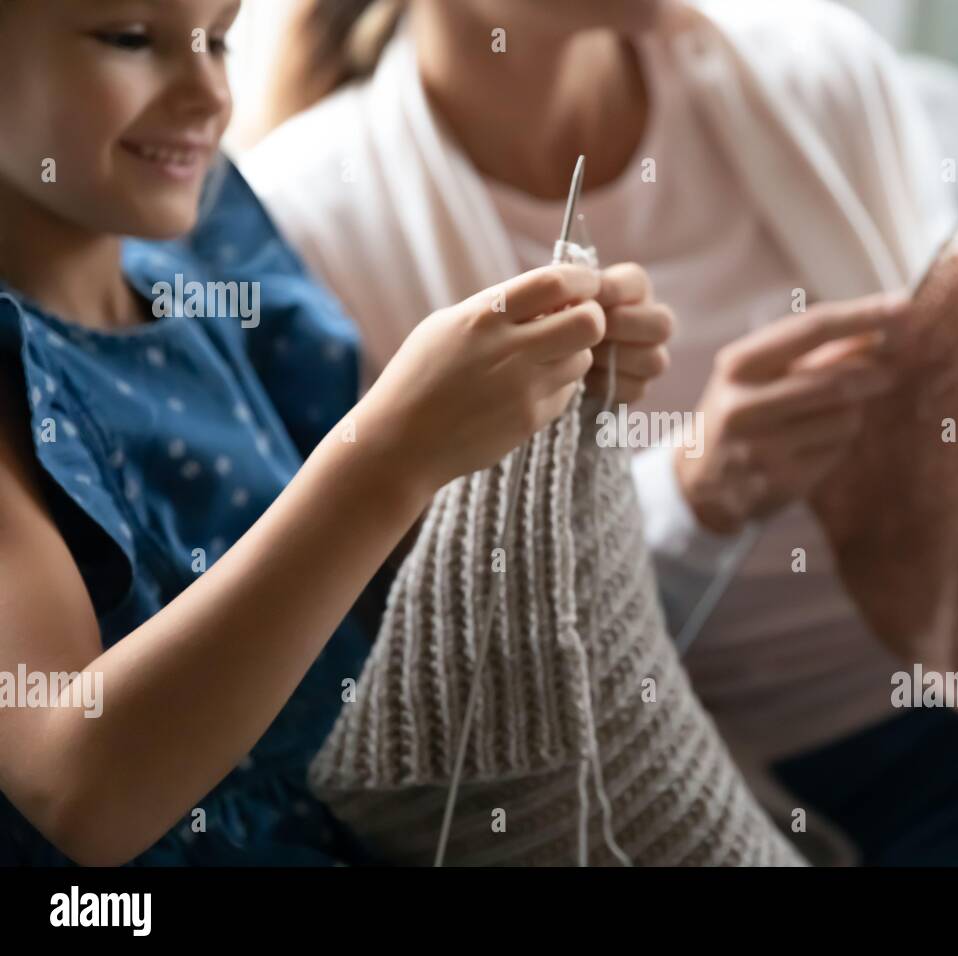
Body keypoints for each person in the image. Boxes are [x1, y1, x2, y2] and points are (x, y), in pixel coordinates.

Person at [247, 0, 958, 864]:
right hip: (770, 764)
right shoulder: (310, 221)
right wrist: (694, 495)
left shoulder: (815, 66)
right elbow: (454, 680)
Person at [0, 0, 671, 865]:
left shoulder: (212, 270)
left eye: (218, 39)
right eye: (130, 39)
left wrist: (527, 405)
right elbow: (80, 792)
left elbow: (363, 582)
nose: (207, 92)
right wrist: (392, 453)